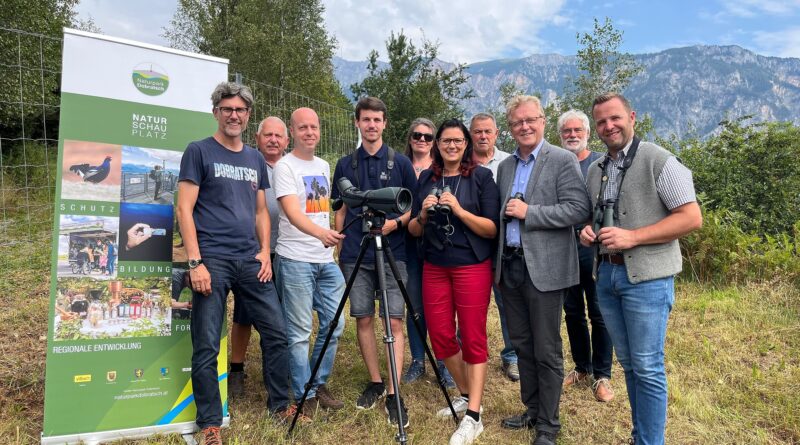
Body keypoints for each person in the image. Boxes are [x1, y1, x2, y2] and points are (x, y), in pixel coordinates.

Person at [579, 93, 701, 445]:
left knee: (647, 367)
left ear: (632, 117)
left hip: (647, 279)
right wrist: (587, 231)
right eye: (601, 121)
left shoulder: (658, 160)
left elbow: (692, 218)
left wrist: (634, 237)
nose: (608, 126)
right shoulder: (595, 170)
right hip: (607, 277)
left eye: (615, 118)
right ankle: (641, 437)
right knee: (630, 366)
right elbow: (594, 218)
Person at [176, 82, 294, 445]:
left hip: (250, 260)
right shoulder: (198, 151)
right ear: (216, 112)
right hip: (212, 260)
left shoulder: (255, 159)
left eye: (240, 110)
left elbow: (261, 210)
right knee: (208, 343)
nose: (234, 115)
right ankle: (210, 423)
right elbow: (184, 208)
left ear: (247, 116)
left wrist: (263, 251)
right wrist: (195, 262)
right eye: (227, 109)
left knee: (276, 333)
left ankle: (281, 405)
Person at [494, 95, 591, 445]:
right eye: (518, 122)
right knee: (522, 345)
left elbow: (578, 209)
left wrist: (530, 212)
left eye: (531, 120)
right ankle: (532, 410)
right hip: (510, 267)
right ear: (510, 128)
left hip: (546, 269)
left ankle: (549, 425)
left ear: (543, 121)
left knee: (547, 349)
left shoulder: (562, 160)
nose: (525, 126)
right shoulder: (505, 167)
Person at [408, 118, 499, 445]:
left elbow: (491, 229)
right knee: (442, 335)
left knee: (473, 337)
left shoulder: (481, 178)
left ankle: (474, 415)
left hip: (472, 266)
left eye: (457, 141)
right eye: (445, 141)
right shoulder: (426, 180)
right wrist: (421, 215)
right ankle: (465, 393)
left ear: (466, 144)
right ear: (437, 145)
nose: (451, 146)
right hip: (435, 265)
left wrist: (459, 211)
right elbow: (414, 230)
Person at [332, 97, 416, 426]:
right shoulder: (345, 164)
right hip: (356, 253)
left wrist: (395, 223)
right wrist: (339, 245)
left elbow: (412, 205)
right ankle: (376, 381)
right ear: (357, 123)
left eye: (377, 120)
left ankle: (395, 393)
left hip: (394, 251)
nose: (371, 125)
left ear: (384, 124)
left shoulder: (401, 164)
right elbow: (340, 207)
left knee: (394, 320)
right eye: (366, 119)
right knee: (363, 318)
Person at [273, 107, 346, 418]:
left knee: (336, 323)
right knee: (300, 331)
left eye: (314, 127)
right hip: (295, 258)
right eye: (303, 127)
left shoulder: (323, 165)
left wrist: (328, 236)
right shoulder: (284, 167)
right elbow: (291, 211)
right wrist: (322, 234)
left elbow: (320, 209)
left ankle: (317, 383)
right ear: (293, 132)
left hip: (324, 259)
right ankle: (304, 394)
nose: (310, 132)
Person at [228, 116, 289, 399]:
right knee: (244, 314)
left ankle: (278, 371)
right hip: (253, 251)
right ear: (258, 136)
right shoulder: (247, 162)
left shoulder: (292, 166)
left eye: (279, 136)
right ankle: (236, 369)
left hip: (287, 250)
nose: (273, 140)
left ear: (286, 141)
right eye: (268, 135)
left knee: (280, 316)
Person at [557, 109, 615, 402]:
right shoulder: (555, 163)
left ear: (588, 133)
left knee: (599, 312)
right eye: (567, 131)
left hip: (594, 251)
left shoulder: (600, 164)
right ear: (560, 135)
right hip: (563, 251)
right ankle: (581, 367)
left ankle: (602, 375)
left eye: (577, 130)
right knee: (573, 312)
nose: (572, 135)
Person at [400, 118, 456, 389]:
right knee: (415, 307)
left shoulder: (440, 170)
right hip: (408, 243)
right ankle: (418, 361)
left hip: (437, 246)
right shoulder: (400, 166)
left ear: (434, 141)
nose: (421, 140)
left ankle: (445, 363)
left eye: (427, 136)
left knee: (442, 308)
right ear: (410, 138)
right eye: (417, 135)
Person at [469, 112, 519, 382]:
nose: (483, 136)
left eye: (488, 131)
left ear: (497, 133)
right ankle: (469, 354)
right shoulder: (462, 163)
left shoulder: (510, 163)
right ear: (471, 134)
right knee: (468, 305)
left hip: (502, 247)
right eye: (477, 131)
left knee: (506, 303)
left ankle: (512, 356)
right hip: (469, 246)